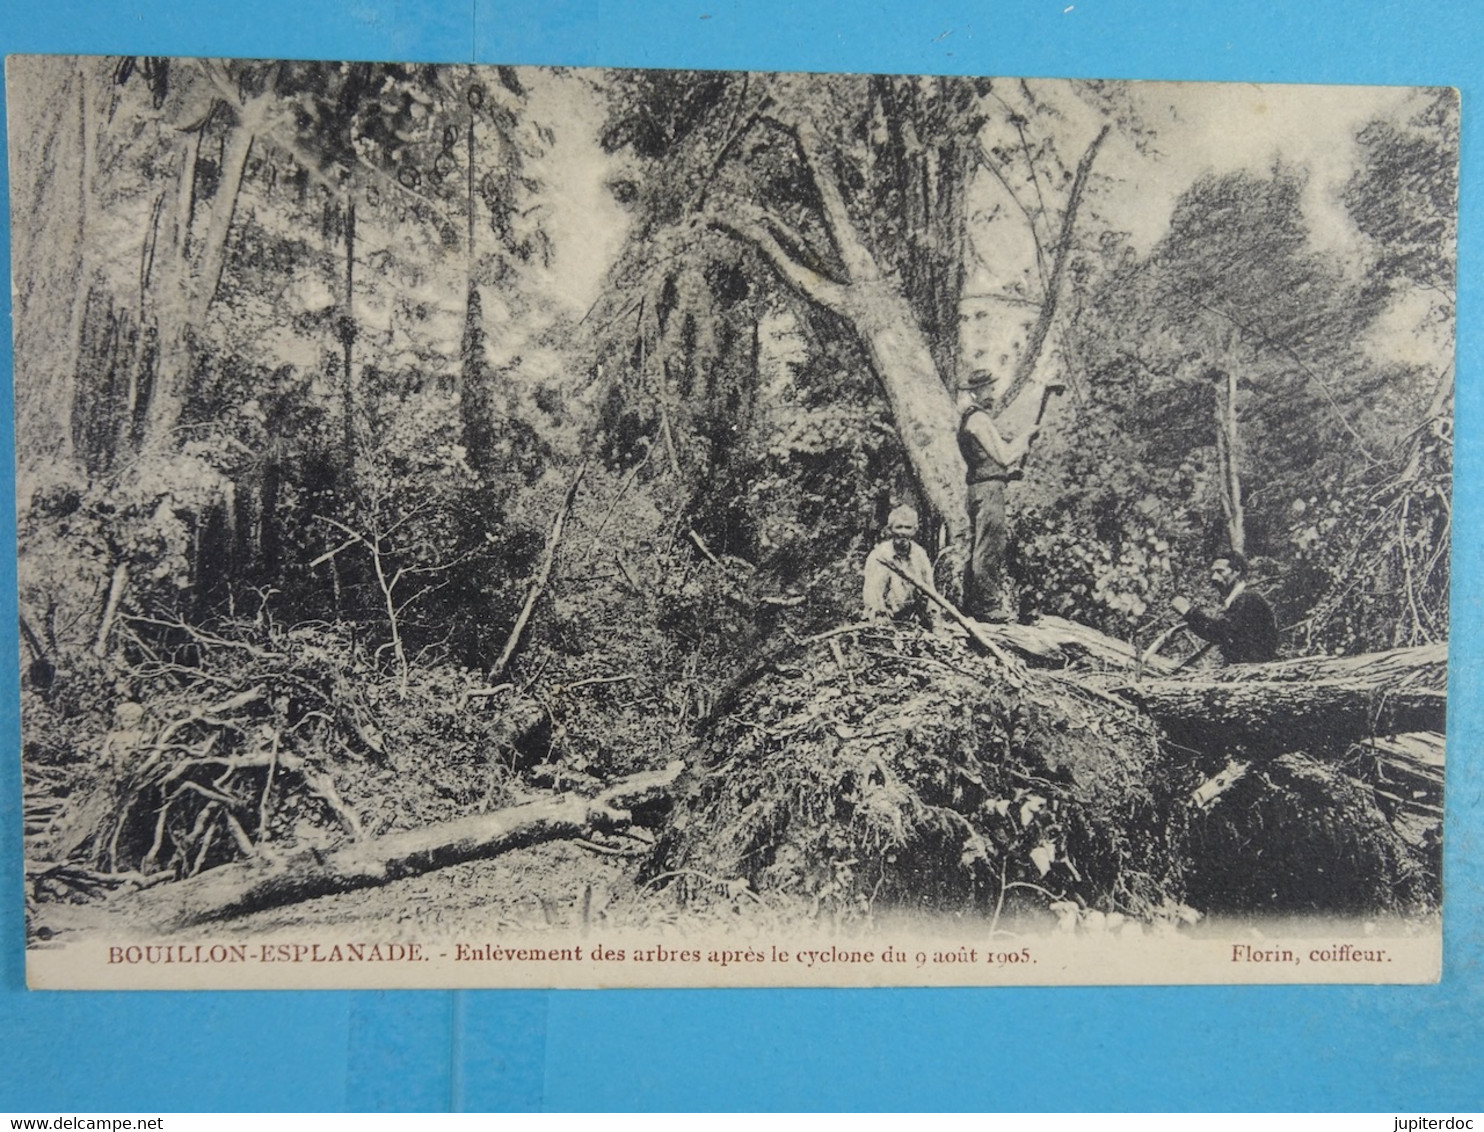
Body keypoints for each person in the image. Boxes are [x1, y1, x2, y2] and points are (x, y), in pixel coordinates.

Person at [955, 375, 1038, 623]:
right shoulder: (978, 419)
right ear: (975, 392)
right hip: (987, 491)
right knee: (989, 547)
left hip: (980, 489)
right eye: (987, 389)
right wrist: (1026, 436)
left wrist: (1007, 473)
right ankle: (987, 607)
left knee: (979, 546)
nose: (992, 393)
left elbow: (991, 461)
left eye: (992, 387)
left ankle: (971, 604)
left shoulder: (974, 418)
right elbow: (1004, 455)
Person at [1171, 551, 1279, 665]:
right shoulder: (1240, 598)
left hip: (1254, 666)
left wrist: (1188, 611)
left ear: (1237, 571)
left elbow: (1219, 632)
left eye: (1220, 571)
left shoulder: (1247, 598)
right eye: (1213, 572)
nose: (1214, 578)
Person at [862, 505, 937, 628]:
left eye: (908, 527)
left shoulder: (920, 555)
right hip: (886, 616)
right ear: (890, 529)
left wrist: (933, 616)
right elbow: (872, 593)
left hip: (912, 617)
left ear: (915, 530)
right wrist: (879, 615)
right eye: (899, 527)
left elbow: (929, 589)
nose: (903, 532)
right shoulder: (880, 555)